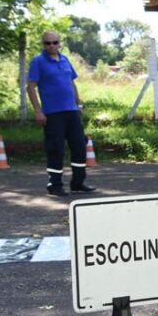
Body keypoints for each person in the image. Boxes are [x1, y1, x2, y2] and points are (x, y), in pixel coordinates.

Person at [27, 31, 95, 196]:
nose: (52, 46)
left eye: (55, 42)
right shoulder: (38, 62)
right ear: (43, 44)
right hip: (52, 114)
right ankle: (55, 185)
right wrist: (38, 111)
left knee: (79, 146)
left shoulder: (65, 60)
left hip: (71, 112)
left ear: (60, 43)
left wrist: (78, 104)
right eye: (47, 43)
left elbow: (71, 83)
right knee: (55, 149)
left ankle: (78, 183)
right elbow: (30, 87)